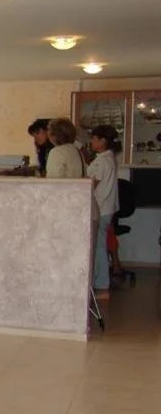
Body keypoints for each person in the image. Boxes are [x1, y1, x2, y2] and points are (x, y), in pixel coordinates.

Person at [87, 124, 120, 298]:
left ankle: (102, 286)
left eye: (94, 139)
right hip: (106, 208)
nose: (91, 142)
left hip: (101, 209)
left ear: (103, 141)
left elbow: (91, 184)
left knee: (99, 247)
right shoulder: (107, 157)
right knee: (100, 245)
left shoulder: (103, 161)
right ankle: (99, 282)